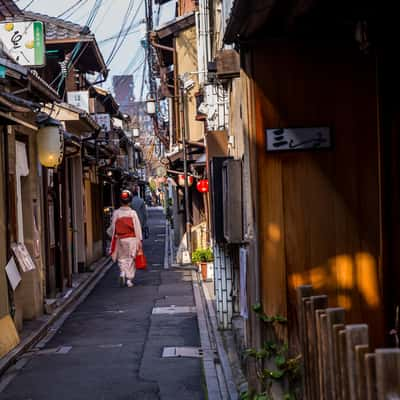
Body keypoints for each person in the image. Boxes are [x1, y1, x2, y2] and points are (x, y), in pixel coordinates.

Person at [109, 190, 142, 288]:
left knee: (122, 258)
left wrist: (112, 235)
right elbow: (137, 227)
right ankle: (129, 279)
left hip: (120, 238)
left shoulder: (117, 213)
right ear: (130, 201)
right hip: (132, 238)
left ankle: (123, 272)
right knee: (131, 258)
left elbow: (112, 227)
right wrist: (139, 239)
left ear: (120, 201)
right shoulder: (132, 213)